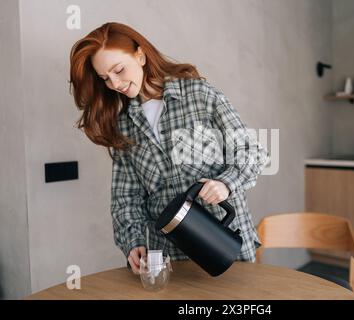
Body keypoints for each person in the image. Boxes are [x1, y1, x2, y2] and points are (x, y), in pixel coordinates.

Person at [69, 22, 268, 274]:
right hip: (167, 257)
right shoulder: (123, 126)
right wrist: (134, 243)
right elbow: (125, 199)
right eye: (105, 78)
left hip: (225, 243)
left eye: (119, 70)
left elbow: (253, 151)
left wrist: (226, 183)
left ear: (140, 55)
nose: (115, 83)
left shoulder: (199, 95)